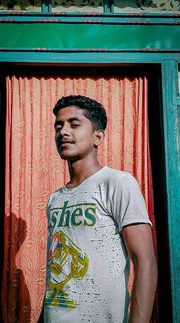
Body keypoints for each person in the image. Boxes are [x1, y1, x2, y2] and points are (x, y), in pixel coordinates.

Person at [43, 95, 157, 323]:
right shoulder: (54, 199)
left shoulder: (117, 183)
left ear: (98, 136)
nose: (63, 132)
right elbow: (53, 271)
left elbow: (146, 263)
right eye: (59, 126)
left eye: (74, 124)